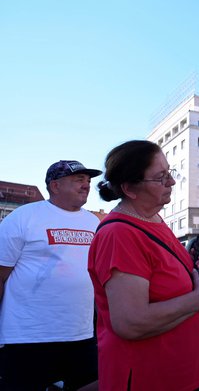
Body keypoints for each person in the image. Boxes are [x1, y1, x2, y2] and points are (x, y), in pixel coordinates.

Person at [88, 140, 199, 391]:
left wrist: (195, 269)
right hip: (149, 377)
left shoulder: (154, 220)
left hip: (177, 372)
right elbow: (130, 322)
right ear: (130, 189)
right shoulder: (120, 234)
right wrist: (198, 298)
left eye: (169, 172)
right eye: (160, 177)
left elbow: (164, 279)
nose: (172, 182)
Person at [0, 160, 102, 391]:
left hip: (81, 334)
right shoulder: (23, 217)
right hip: (27, 337)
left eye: (87, 181)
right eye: (78, 180)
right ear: (55, 186)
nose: (86, 185)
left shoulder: (92, 222)